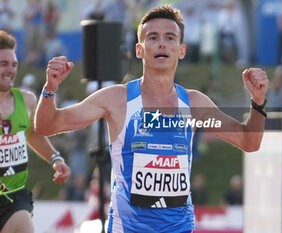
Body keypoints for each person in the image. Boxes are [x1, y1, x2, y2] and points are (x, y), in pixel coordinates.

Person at [35, 5, 268, 232]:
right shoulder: (117, 99)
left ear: (182, 49)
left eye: (170, 37)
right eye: (153, 37)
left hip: (180, 227)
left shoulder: (195, 105)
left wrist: (257, 102)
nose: (161, 43)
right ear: (139, 49)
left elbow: (249, 142)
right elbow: (47, 125)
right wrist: (50, 89)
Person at [0, 30, 71, 233]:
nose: (10, 70)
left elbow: (32, 133)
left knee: (24, 226)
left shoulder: (27, 100)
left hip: (14, 197)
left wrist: (56, 159)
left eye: (14, 64)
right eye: (3, 64)